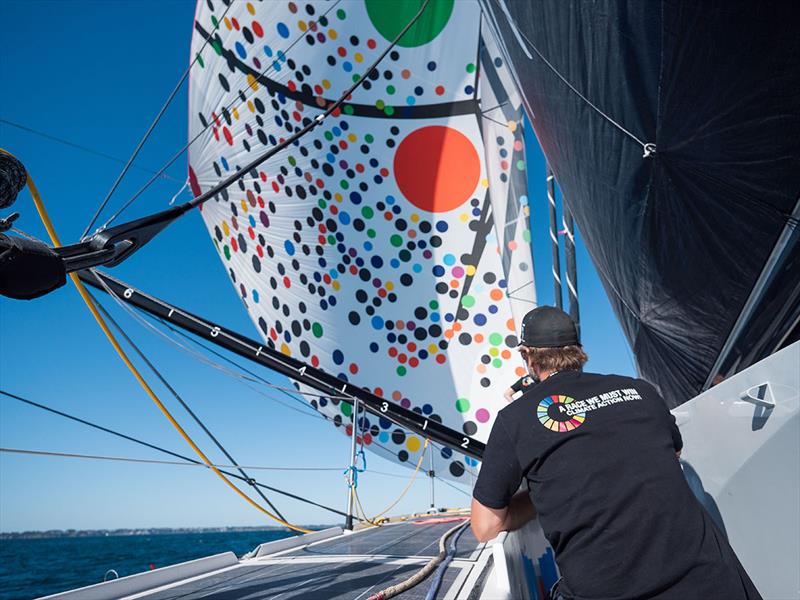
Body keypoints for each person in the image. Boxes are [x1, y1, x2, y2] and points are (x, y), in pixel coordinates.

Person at [471, 306, 762, 600]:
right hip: (714, 582)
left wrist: (544, 495)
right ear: (578, 351)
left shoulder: (515, 419)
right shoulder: (641, 391)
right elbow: (673, 454)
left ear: (528, 356)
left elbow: (486, 526)